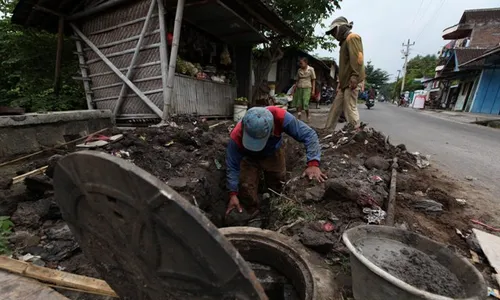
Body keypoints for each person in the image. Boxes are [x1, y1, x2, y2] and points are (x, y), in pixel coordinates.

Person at [225, 106, 327, 216]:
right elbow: (232, 166)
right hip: (248, 157)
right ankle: (253, 213)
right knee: (245, 188)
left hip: (272, 152)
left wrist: (313, 164)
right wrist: (233, 194)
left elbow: (309, 135)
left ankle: (275, 208)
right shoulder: (236, 135)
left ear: (271, 129)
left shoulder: (281, 117)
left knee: (278, 181)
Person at [324, 17, 365, 130]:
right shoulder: (344, 42)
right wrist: (340, 82)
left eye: (333, 31)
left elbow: (358, 59)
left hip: (352, 81)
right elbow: (345, 66)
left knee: (350, 108)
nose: (332, 34)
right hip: (344, 83)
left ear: (341, 27)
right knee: (335, 108)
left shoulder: (352, 38)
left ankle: (357, 133)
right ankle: (327, 132)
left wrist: (355, 77)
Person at [292, 57, 316, 122]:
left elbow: (313, 80)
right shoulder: (299, 70)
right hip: (299, 87)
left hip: (307, 87)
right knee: (299, 102)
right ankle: (299, 117)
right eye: (300, 63)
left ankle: (308, 115)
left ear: (306, 63)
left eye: (301, 63)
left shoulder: (311, 69)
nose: (300, 65)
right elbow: (297, 80)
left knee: (305, 102)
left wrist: (313, 90)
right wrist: (294, 89)